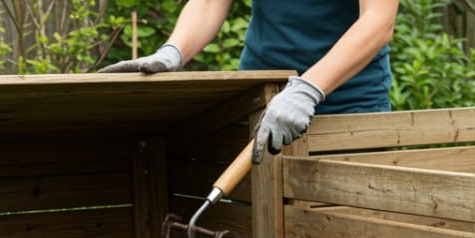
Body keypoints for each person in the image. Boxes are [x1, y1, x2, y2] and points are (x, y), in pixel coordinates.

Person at [100, 0, 397, 163]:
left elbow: (378, 20)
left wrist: (308, 88)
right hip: (262, 102)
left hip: (348, 107)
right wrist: (173, 51)